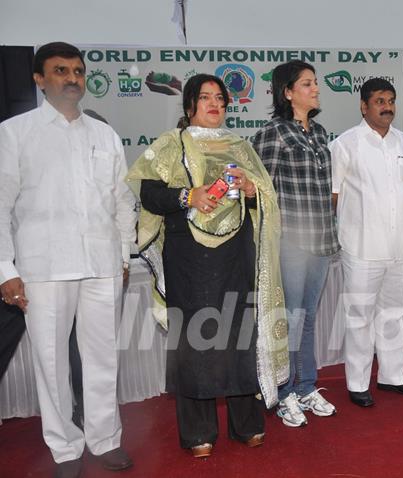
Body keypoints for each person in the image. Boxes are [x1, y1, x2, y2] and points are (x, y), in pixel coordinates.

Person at [127, 74, 288, 457]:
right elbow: (148, 193)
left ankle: (246, 423)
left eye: (220, 98)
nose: (214, 104)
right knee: (195, 342)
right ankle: (198, 431)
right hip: (189, 260)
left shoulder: (241, 148)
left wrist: (252, 191)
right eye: (205, 98)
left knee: (240, 335)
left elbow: (264, 201)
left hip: (236, 257)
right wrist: (188, 195)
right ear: (189, 106)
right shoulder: (171, 144)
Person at [0, 42, 136, 478]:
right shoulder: (14, 133)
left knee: (102, 358)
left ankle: (105, 439)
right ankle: (64, 449)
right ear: (39, 79)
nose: (72, 78)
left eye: (78, 70)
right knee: (52, 362)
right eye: (61, 70)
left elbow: (121, 202)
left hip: (101, 263)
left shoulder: (104, 135)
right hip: (42, 268)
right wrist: (6, 270)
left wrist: (123, 255)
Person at [331, 78, 403, 408]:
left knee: (395, 314)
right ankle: (357, 383)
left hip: (400, 246)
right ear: (364, 106)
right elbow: (334, 195)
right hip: (360, 247)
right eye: (379, 101)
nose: (387, 106)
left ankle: (393, 376)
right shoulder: (346, 144)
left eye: (391, 100)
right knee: (359, 317)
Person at [252, 61, 339, 427]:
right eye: (307, 83)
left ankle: (306, 386)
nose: (316, 88)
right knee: (289, 319)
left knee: (307, 318)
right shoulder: (272, 133)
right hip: (290, 243)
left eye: (316, 83)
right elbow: (261, 192)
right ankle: (284, 393)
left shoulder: (319, 134)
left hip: (321, 239)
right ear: (288, 92)